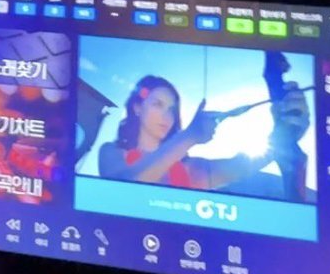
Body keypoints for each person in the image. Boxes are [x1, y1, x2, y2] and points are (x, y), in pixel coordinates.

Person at [97, 74, 309, 191]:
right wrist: (190, 136)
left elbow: (244, 165)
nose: (167, 116)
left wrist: (284, 134)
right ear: (137, 108)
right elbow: (122, 188)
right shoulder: (112, 152)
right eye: (158, 104)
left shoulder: (191, 167)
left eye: (172, 109)